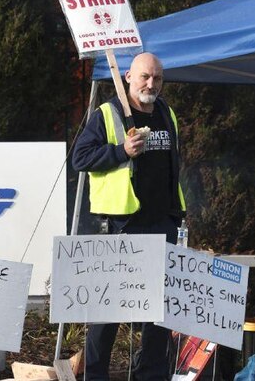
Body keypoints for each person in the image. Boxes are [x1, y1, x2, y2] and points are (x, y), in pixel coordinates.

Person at [72, 52, 186, 381]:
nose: (151, 84)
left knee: (158, 311)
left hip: (162, 222)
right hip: (121, 224)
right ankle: (95, 375)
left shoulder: (166, 113)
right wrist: (121, 151)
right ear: (128, 77)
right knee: (108, 309)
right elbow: (80, 158)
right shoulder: (107, 114)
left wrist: (176, 216)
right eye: (145, 77)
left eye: (157, 78)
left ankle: (150, 374)